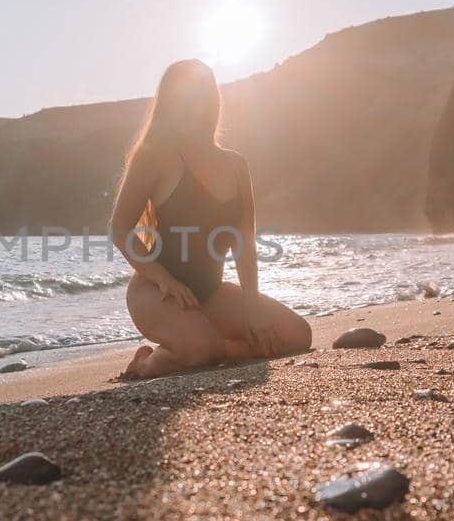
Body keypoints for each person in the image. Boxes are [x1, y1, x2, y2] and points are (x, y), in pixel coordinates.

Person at [111, 59, 313, 379]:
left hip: (211, 292)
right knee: (201, 350)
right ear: (171, 102)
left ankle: (213, 346)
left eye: (204, 92)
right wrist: (165, 279)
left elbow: (244, 242)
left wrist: (252, 304)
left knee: (296, 335)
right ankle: (145, 364)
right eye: (186, 95)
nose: (197, 103)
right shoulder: (155, 156)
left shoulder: (235, 164)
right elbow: (119, 229)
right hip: (157, 292)